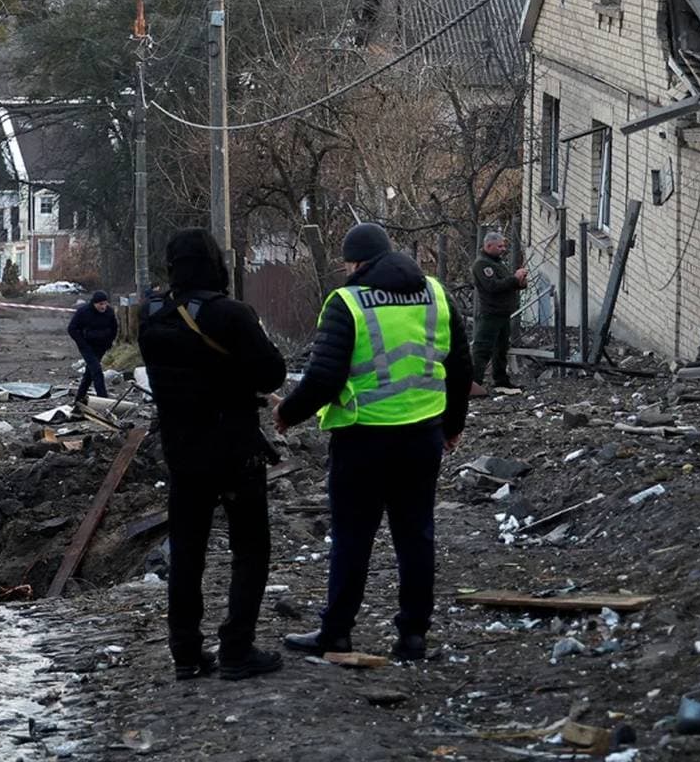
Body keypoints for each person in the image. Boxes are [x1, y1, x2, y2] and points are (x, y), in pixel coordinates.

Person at [273, 222, 472, 663]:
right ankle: (413, 637)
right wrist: (453, 424)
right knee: (416, 536)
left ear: (356, 263)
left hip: (362, 440)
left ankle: (337, 632)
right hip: (422, 436)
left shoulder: (347, 302)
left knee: (353, 538)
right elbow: (460, 366)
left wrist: (289, 413)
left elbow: (324, 377)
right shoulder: (436, 294)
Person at [140, 228, 288, 681]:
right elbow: (272, 373)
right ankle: (237, 649)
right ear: (215, 264)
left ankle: (185, 653)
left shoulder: (152, 317)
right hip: (234, 450)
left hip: (182, 452)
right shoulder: (231, 314)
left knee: (187, 553)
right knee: (250, 549)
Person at [471, 231, 527, 390]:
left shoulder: (497, 263)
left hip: (503, 313)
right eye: (500, 246)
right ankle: (474, 383)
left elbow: (506, 283)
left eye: (504, 246)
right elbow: (493, 286)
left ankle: (501, 380)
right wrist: (514, 279)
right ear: (488, 246)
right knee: (482, 348)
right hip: (491, 314)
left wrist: (520, 282)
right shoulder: (482, 264)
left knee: (501, 349)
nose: (503, 249)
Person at [68, 290, 119, 405]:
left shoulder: (109, 312)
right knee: (97, 371)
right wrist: (81, 342)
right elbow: (72, 329)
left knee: (89, 374)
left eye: (105, 303)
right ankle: (104, 401)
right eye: (100, 304)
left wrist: (109, 342)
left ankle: (78, 399)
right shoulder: (83, 312)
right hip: (87, 346)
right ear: (94, 303)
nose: (103, 307)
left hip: (101, 346)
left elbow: (114, 328)